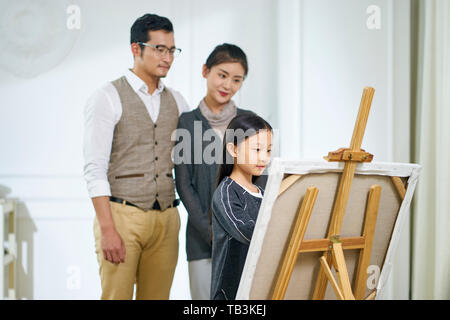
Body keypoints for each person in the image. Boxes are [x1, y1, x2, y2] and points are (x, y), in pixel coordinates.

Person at [83, 13, 190, 300]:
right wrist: (107, 229)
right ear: (136, 48)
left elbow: (189, 162)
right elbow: (94, 169)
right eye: (159, 49)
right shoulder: (108, 96)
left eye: (171, 50)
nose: (167, 57)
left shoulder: (178, 101)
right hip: (122, 215)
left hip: (167, 218)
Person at [174, 43, 263, 299]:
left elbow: (260, 177)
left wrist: (241, 228)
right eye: (222, 75)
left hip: (244, 237)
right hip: (202, 241)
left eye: (237, 80)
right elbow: (184, 184)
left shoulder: (249, 122)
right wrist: (210, 231)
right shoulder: (187, 122)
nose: (227, 85)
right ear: (205, 71)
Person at [210, 113, 273, 300]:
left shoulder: (263, 192)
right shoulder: (226, 193)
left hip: (258, 291)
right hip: (231, 294)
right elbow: (248, 232)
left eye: (269, 150)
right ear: (233, 149)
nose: (264, 158)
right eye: (257, 149)